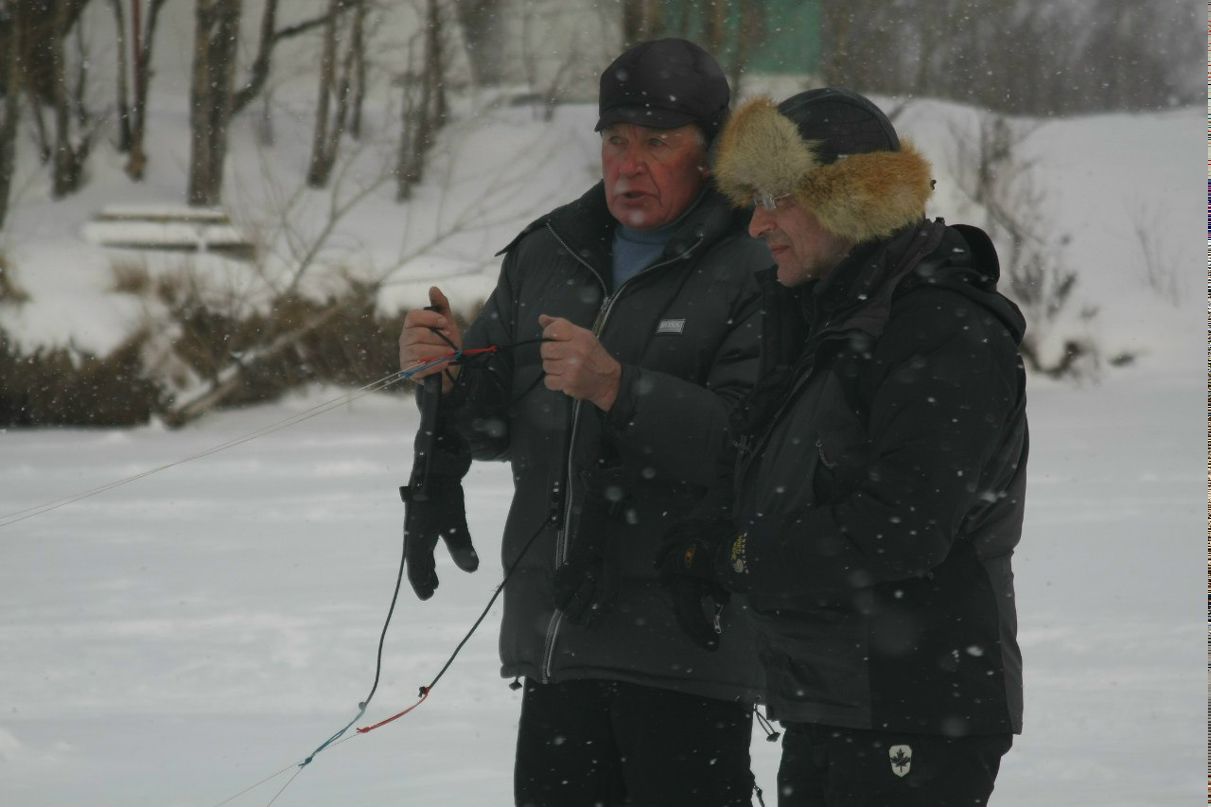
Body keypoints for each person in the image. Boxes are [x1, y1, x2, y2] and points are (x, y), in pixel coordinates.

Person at [398, 39, 771, 807]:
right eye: (614, 141)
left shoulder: (757, 261)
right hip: (558, 643)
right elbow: (491, 426)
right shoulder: (548, 252)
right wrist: (442, 373)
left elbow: (752, 448)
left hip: (687, 645)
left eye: (657, 144)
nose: (628, 165)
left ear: (711, 153)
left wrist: (617, 388)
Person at [659, 88, 1028, 806]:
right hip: (829, 697)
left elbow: (903, 527)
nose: (758, 224)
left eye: (777, 200)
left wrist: (743, 557)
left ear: (847, 201)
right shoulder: (816, 315)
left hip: (915, 706)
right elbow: (773, 469)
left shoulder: (939, 326)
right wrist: (706, 535)